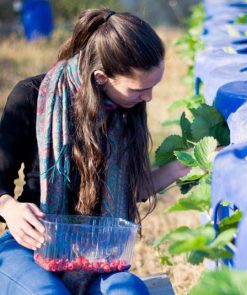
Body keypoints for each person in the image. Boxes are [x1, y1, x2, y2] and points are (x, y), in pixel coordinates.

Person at [0, 8, 190, 295]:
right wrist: (9, 208)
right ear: (101, 77)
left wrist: (186, 166)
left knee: (128, 291)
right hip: (32, 244)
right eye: (140, 89)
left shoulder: (125, 110)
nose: (148, 97)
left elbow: (132, 189)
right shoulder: (32, 96)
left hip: (93, 252)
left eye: (153, 86)